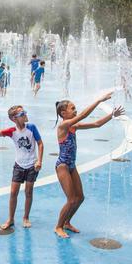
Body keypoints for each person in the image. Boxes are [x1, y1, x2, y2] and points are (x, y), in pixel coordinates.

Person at [53, 94, 125, 238]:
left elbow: (97, 124)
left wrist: (112, 115)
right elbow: (83, 115)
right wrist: (98, 100)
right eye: (72, 108)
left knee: (80, 197)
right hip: (63, 166)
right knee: (71, 199)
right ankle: (58, 226)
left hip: (71, 165)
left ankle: (67, 222)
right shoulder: (63, 126)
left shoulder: (73, 126)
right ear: (63, 113)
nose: (75, 110)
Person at [0, 106, 43, 229]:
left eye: (25, 112)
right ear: (14, 118)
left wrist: (39, 161)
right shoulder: (12, 131)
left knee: (28, 192)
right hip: (19, 165)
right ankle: (10, 219)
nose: (25, 114)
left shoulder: (31, 128)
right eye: (22, 113)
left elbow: (40, 143)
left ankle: (26, 217)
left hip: (32, 165)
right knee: (13, 193)